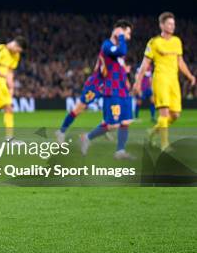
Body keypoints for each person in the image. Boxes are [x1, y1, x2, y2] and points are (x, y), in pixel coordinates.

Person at [133, 12, 195, 149]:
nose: (172, 26)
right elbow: (145, 64)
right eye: (169, 24)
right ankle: (164, 144)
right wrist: (137, 82)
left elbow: (181, 62)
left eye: (173, 24)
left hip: (174, 81)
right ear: (161, 25)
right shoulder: (154, 42)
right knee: (164, 112)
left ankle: (150, 134)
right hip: (160, 79)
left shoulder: (177, 41)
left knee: (175, 115)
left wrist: (190, 76)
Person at [80, 20, 134, 159]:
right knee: (112, 125)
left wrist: (127, 80)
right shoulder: (107, 45)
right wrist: (120, 35)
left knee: (125, 121)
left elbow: (119, 66)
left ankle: (120, 152)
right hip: (112, 90)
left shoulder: (118, 47)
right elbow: (122, 50)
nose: (129, 36)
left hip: (123, 91)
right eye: (127, 33)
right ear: (119, 31)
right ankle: (87, 137)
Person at [56, 55, 105, 143]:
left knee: (112, 103)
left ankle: (105, 126)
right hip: (94, 86)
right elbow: (104, 71)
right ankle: (61, 132)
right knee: (78, 109)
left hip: (104, 86)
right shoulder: (107, 55)